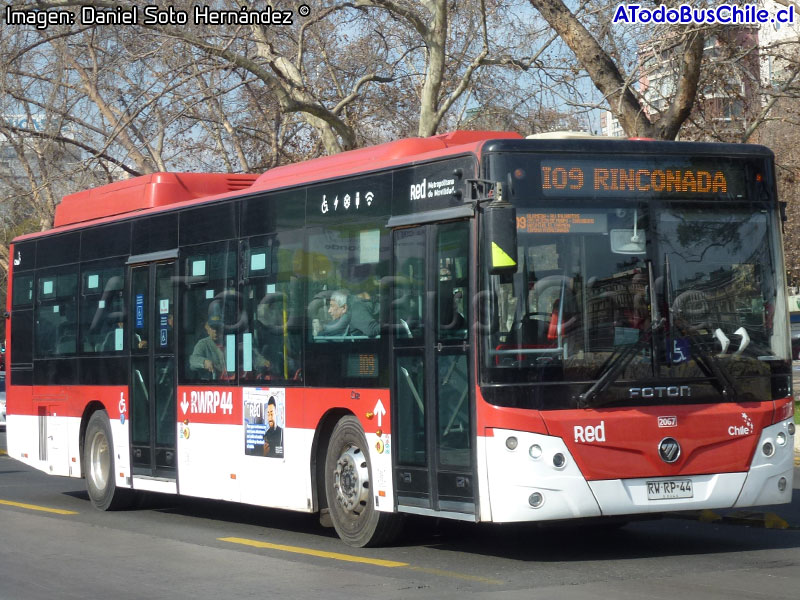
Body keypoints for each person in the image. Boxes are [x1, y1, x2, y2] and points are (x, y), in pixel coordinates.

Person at [189, 313, 227, 379]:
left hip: (231, 384)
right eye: (212, 328)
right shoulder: (203, 343)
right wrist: (204, 362)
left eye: (217, 327)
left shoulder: (231, 342)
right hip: (210, 385)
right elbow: (192, 360)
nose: (215, 331)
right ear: (207, 329)